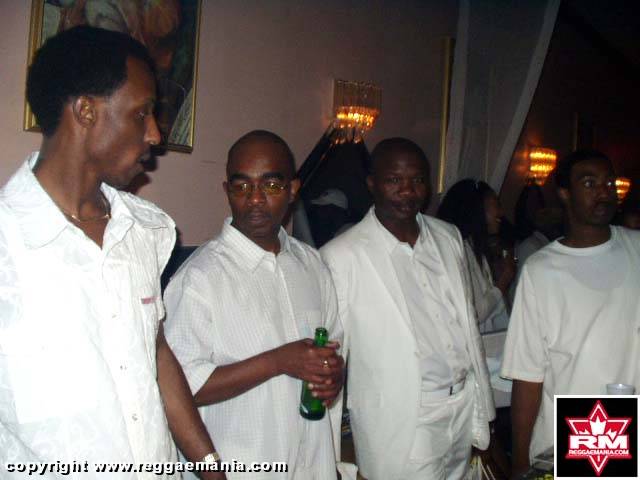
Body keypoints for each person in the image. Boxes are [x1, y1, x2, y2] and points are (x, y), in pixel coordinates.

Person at [0, 26, 224, 478]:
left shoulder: (143, 230)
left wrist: (212, 468)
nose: (156, 134)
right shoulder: (7, 241)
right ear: (86, 111)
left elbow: (154, 351)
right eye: (142, 114)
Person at [164, 130, 344, 479]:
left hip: (312, 464)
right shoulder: (199, 278)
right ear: (227, 190)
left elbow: (333, 348)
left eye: (271, 185)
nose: (255, 199)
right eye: (242, 186)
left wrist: (333, 374)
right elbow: (179, 388)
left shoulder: (312, 264)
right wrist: (277, 362)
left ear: (293, 189)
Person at [320, 138, 495, 480]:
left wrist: (481, 406)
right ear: (372, 183)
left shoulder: (448, 237)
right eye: (394, 180)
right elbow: (333, 356)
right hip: (403, 418)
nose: (407, 191)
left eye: (417, 180)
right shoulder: (341, 255)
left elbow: (468, 327)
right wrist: (329, 451)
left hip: (461, 403)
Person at [501, 149, 640, 477]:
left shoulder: (636, 247)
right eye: (589, 183)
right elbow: (527, 374)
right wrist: (520, 463)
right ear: (564, 193)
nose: (604, 191)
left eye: (608, 183)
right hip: (578, 427)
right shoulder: (541, 270)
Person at [437, 179, 515, 333]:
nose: (501, 213)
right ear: (477, 209)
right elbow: (476, 313)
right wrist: (503, 281)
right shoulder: (460, 251)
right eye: (496, 204)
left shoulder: (474, 248)